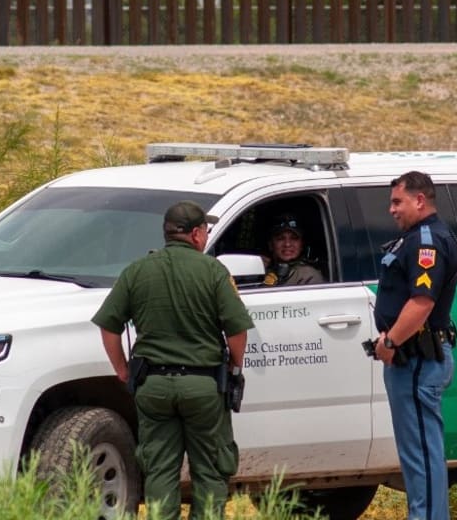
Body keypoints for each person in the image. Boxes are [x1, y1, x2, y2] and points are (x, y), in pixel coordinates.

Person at [92, 200, 255, 520]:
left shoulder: (138, 270)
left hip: (153, 386)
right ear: (195, 234)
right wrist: (235, 367)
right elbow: (237, 330)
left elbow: (109, 326)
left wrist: (123, 371)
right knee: (209, 471)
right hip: (203, 387)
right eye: (205, 231)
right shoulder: (212, 271)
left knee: (160, 472)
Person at [372, 171, 457, 520]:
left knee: (421, 454)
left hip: (416, 360)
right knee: (419, 453)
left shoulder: (427, 242)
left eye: (398, 201)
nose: (391, 209)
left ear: (419, 200)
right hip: (411, 359)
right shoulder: (416, 238)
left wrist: (392, 340)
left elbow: (422, 303)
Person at [262, 213, 325, 286]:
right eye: (280, 238)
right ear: (271, 245)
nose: (287, 244)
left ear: (301, 245)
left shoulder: (308, 275)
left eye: (294, 238)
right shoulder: (263, 271)